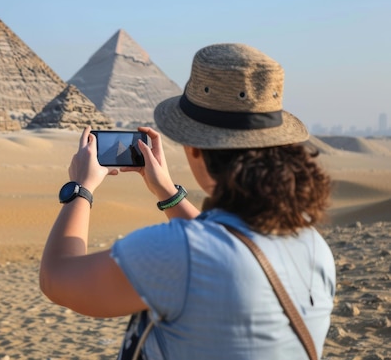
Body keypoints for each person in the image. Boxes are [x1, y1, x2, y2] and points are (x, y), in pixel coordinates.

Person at [39, 43, 335, 359]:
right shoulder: (314, 246)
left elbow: (56, 278)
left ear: (194, 147)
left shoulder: (179, 253)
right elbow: (228, 246)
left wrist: (81, 188)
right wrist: (166, 192)